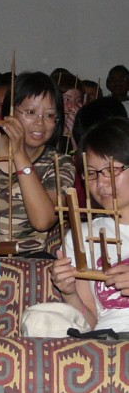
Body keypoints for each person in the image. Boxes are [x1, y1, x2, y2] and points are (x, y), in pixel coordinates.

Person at [0, 71, 76, 257]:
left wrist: (20, 155)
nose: (40, 123)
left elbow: (42, 221)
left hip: (27, 260)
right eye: (31, 112)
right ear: (10, 112)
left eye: (49, 115)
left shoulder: (60, 163)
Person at [49, 117, 129, 332]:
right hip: (106, 345)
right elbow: (90, 322)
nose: (101, 183)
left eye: (112, 170)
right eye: (91, 173)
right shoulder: (80, 235)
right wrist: (69, 292)